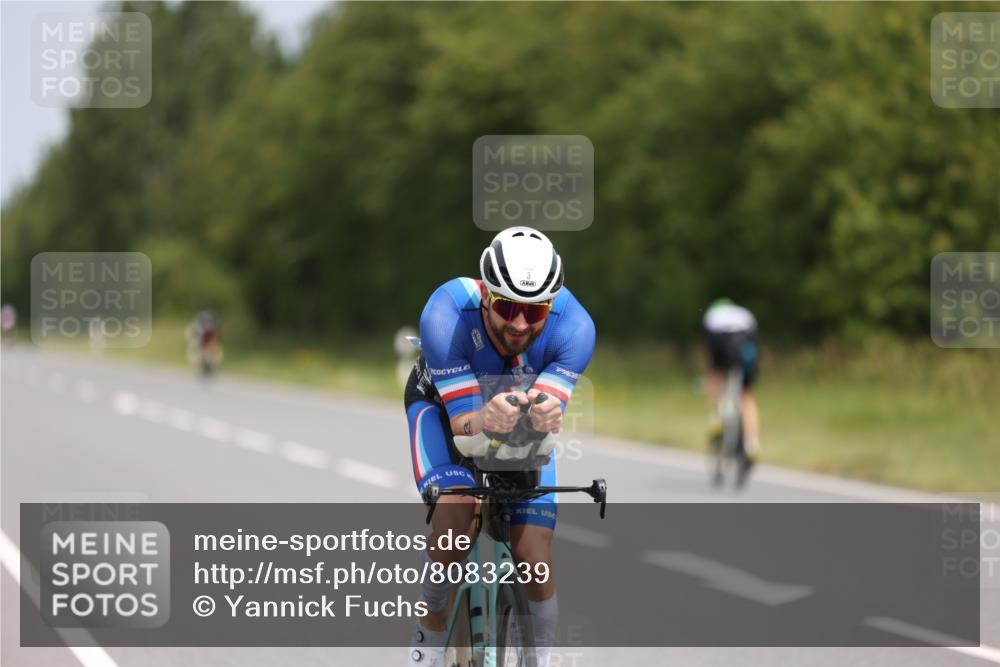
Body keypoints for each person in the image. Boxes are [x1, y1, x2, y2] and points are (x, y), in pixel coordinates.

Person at [405, 227, 595, 667]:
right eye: (508, 307)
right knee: (456, 521)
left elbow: (543, 413)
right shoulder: (446, 312)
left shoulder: (577, 328)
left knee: (533, 554)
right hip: (445, 411)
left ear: (553, 306)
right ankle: (425, 652)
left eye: (535, 312)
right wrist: (486, 419)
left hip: (517, 424)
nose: (520, 324)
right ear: (487, 295)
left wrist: (549, 412)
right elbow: (465, 425)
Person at [703, 298, 760, 479]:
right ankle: (752, 445)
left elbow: (708, 351)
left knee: (715, 375)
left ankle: (717, 418)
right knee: (745, 395)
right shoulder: (744, 313)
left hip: (720, 338)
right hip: (747, 339)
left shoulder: (712, 316)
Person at [185, 308, 222, 378]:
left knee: (209, 349)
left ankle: (210, 364)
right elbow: (192, 333)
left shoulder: (208, 324)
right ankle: (204, 364)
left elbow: (214, 337)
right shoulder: (200, 323)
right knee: (199, 348)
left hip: (206, 335)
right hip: (202, 334)